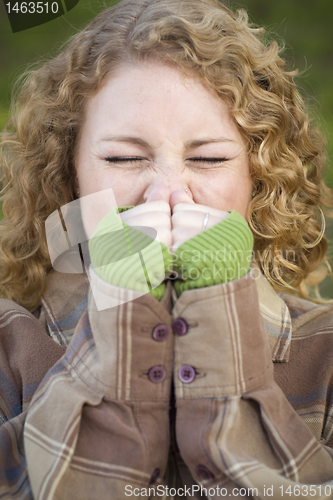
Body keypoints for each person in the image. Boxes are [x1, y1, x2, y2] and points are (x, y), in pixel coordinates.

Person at [0, 0, 333, 498]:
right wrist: (120, 312)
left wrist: (219, 320)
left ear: (258, 175)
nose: (166, 195)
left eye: (209, 158)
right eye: (125, 157)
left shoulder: (326, 352)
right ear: (70, 172)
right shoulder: (9, 347)